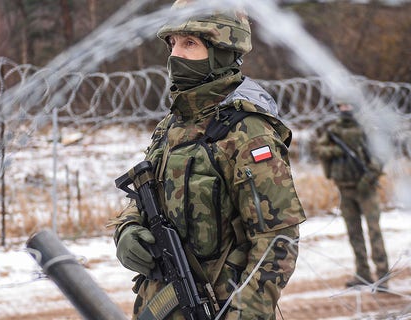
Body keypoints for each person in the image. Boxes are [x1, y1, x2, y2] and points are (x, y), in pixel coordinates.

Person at [108, 1, 306, 319]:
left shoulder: (248, 131)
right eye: (173, 44)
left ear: (222, 52)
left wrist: (243, 314)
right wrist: (127, 229)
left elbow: (277, 241)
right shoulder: (171, 126)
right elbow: (150, 195)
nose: (175, 55)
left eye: (190, 43)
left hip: (221, 308)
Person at [315, 101, 389, 290]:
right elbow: (320, 149)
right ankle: (362, 273)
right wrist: (336, 150)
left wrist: (368, 178)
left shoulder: (365, 130)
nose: (345, 109)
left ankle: (382, 276)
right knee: (354, 233)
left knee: (374, 232)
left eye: (349, 105)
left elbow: (380, 156)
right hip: (345, 189)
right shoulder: (333, 131)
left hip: (366, 189)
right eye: (342, 106)